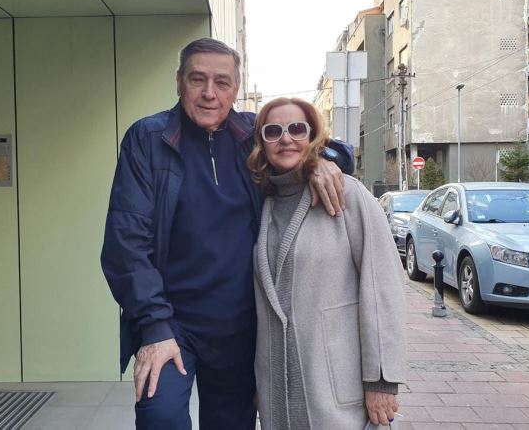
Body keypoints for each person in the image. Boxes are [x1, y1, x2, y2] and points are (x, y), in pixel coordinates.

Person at [100, 38, 353, 430]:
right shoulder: (147, 140)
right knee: (160, 417)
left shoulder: (254, 134)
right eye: (197, 79)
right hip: (170, 321)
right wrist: (154, 326)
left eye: (222, 82)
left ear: (236, 88)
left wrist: (319, 162)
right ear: (179, 82)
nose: (209, 92)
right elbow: (125, 242)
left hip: (241, 324)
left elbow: (320, 145)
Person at [247, 97, 407, 429]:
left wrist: (382, 380)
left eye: (297, 129)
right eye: (273, 131)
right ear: (261, 143)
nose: (286, 139)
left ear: (313, 136)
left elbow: (383, 287)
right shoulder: (262, 203)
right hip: (278, 394)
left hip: (337, 388)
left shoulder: (348, 193)